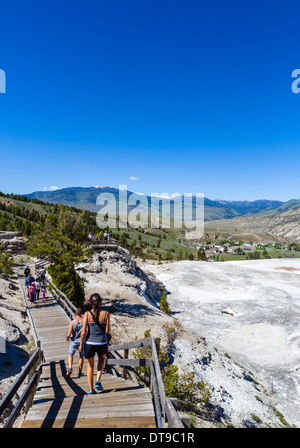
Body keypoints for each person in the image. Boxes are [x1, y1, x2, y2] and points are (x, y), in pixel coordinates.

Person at [79, 293, 110, 394]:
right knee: (101, 359)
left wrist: (80, 344)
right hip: (102, 342)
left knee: (90, 366)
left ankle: (91, 389)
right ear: (100, 303)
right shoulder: (106, 314)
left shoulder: (87, 314)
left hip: (89, 343)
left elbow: (83, 331)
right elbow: (108, 330)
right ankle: (98, 380)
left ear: (90, 303)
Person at [66, 309, 84, 378]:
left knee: (70, 355)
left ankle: (70, 368)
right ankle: (80, 372)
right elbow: (86, 331)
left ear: (76, 314)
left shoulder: (72, 322)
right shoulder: (84, 321)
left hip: (74, 341)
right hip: (81, 342)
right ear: (81, 314)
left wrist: (67, 337)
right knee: (81, 357)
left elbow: (69, 333)